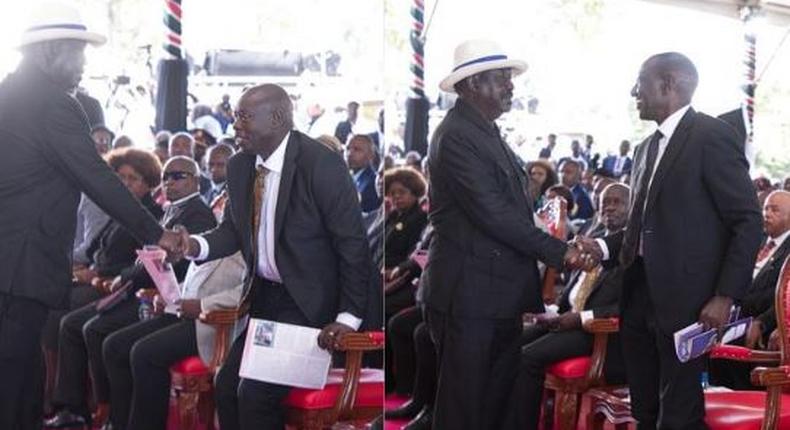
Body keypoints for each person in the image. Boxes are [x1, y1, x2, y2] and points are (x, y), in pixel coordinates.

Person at [0, 5, 180, 428]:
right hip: (20, 267)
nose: (83, 64)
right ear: (52, 52)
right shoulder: (53, 105)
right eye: (78, 53)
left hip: (7, 261)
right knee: (16, 377)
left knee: (14, 375)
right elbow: (97, 177)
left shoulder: (8, 93)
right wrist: (157, 233)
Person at [577, 52, 763, 429]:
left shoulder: (712, 136)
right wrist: (604, 248)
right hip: (638, 292)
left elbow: (747, 221)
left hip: (689, 301)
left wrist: (725, 295)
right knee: (644, 407)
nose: (634, 92)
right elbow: (642, 224)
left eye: (640, 83)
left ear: (667, 85)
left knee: (678, 412)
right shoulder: (646, 148)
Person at [173, 83, 372, 430]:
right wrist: (193, 246)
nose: (235, 126)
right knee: (226, 386)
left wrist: (348, 317)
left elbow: (352, 245)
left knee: (254, 396)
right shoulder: (241, 166)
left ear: (277, 118)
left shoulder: (321, 165)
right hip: (265, 301)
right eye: (236, 117)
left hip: (311, 307)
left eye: (244, 117)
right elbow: (233, 231)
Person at [424, 40, 583, 430]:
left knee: (493, 404)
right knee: (466, 408)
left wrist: (552, 234)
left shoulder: (486, 132)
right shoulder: (458, 135)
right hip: (469, 295)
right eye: (501, 79)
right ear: (472, 84)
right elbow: (493, 214)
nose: (511, 87)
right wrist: (561, 252)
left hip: (495, 294)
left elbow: (510, 212)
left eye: (509, 79)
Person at [508, 183, 630, 429]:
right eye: (605, 201)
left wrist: (581, 317)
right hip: (566, 318)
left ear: (633, 207)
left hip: (599, 333)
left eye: (617, 202)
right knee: (508, 342)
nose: (609, 207)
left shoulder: (632, 248)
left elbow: (628, 306)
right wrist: (549, 311)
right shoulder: (591, 232)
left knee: (527, 357)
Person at [709, 190, 790, 389]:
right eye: (765, 208)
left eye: (774, 210)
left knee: (730, 353)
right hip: (735, 314)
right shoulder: (758, 240)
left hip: (765, 321)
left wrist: (762, 322)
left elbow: (785, 296)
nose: (767, 214)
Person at [346, 134, 382, 213]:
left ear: (370, 155)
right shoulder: (345, 178)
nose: (349, 153)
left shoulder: (373, 183)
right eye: (348, 148)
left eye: (357, 149)